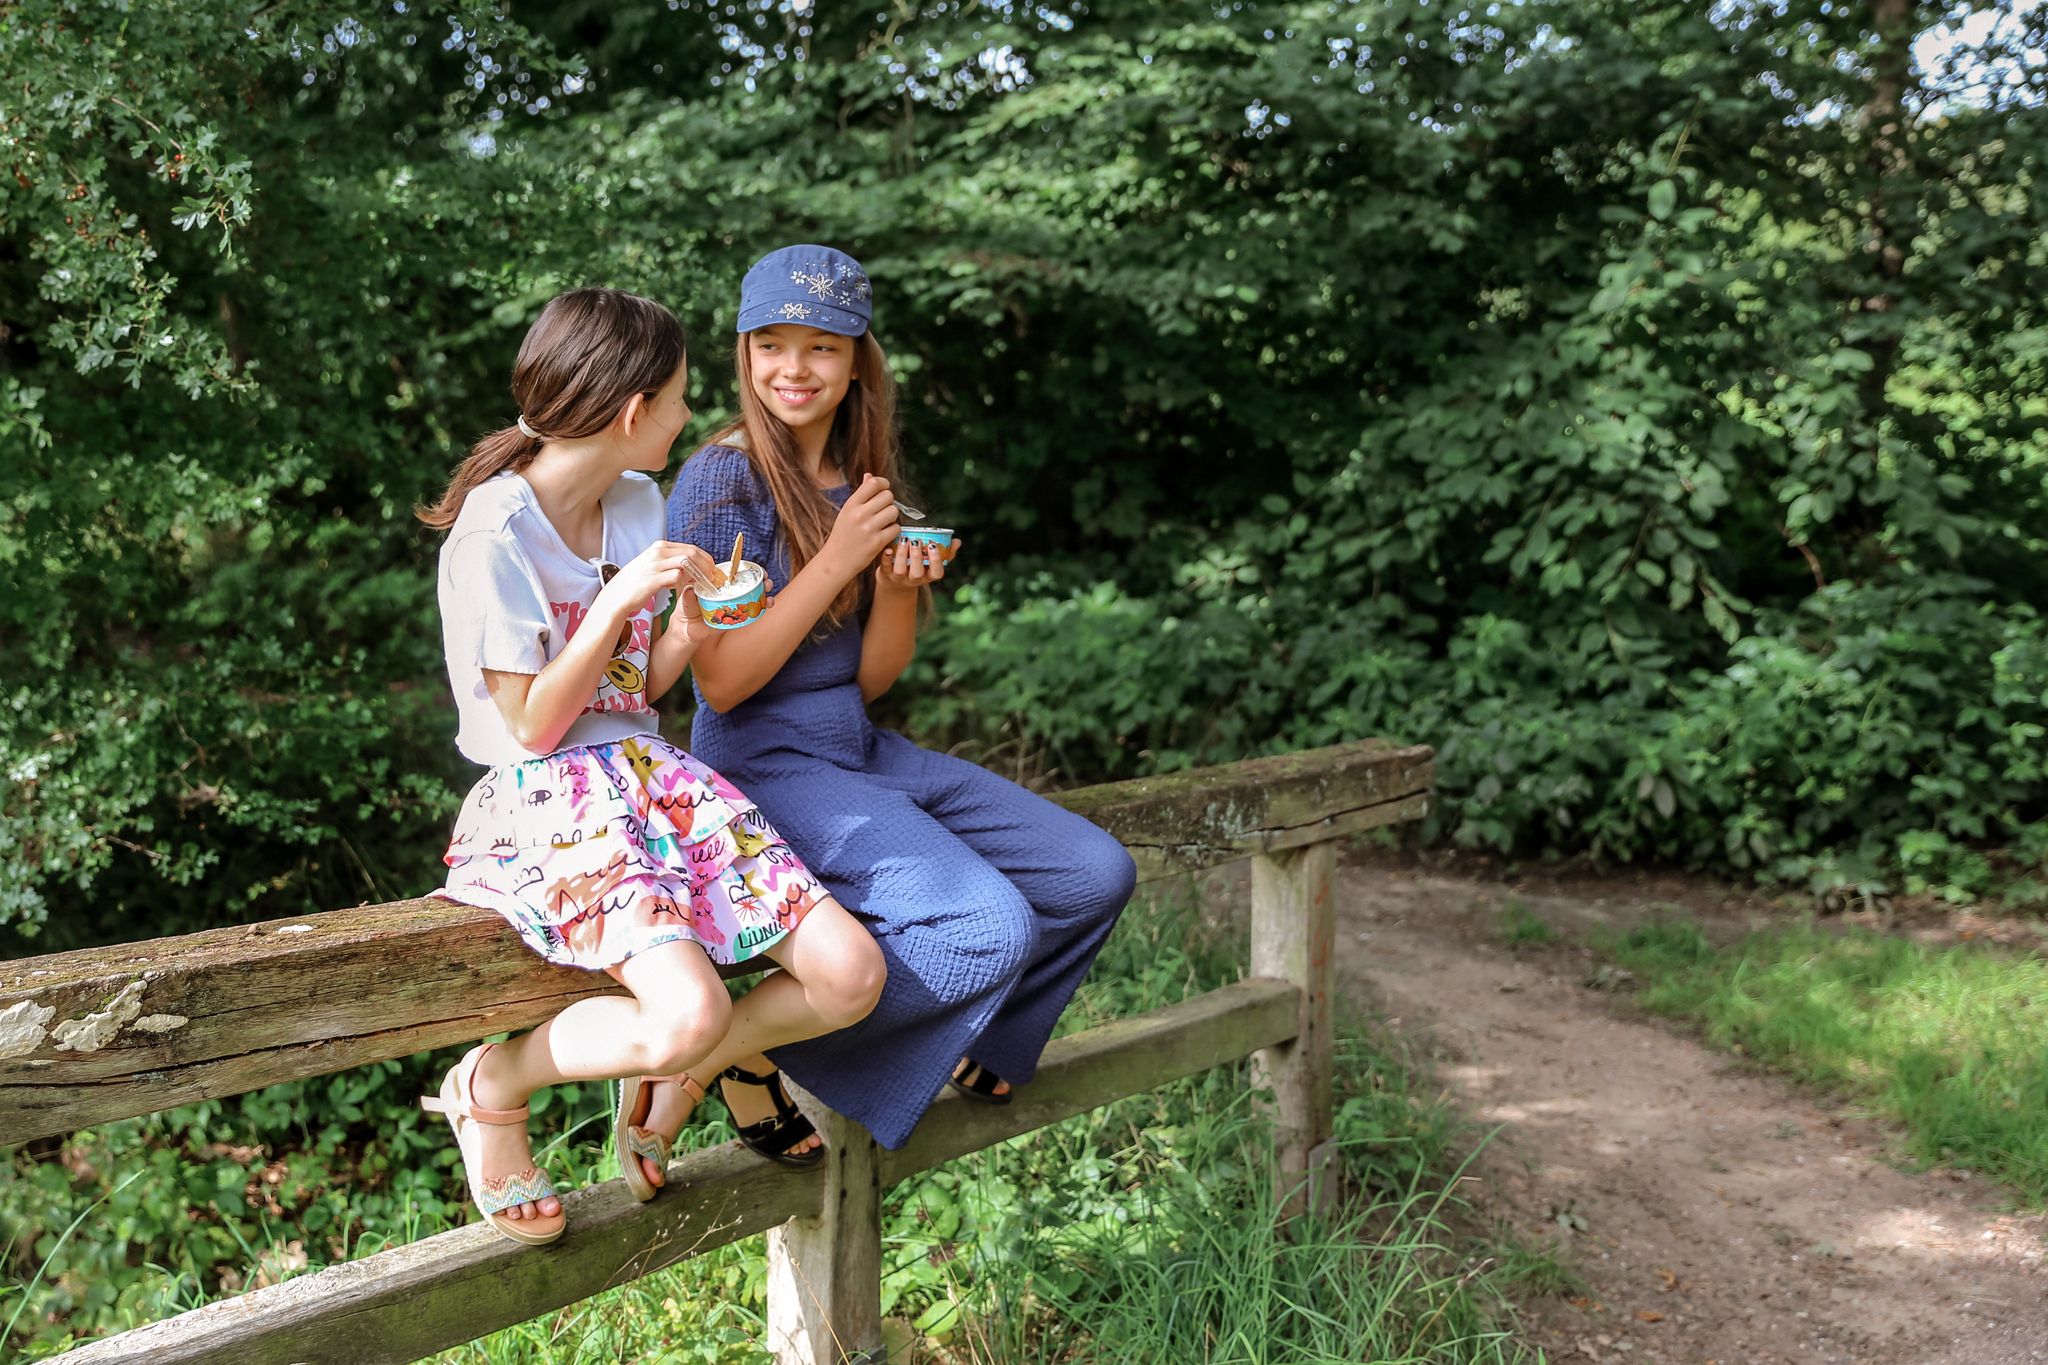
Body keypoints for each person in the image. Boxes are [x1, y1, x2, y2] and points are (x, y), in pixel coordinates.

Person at [415, 287, 885, 1247]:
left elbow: (635, 686)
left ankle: (693, 1067)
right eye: (676, 397)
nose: (688, 415)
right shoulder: (490, 537)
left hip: (653, 775)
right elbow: (536, 727)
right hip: (548, 797)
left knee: (848, 974)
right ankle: (490, 1086)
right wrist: (618, 598)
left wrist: (688, 627)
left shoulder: (632, 500)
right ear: (634, 412)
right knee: (683, 1016)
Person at [665, 246, 1136, 1151]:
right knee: (989, 924)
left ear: (856, 361)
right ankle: (745, 1046)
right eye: (772, 344)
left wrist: (897, 585)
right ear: (744, 350)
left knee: (1091, 873)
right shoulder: (720, 481)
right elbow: (719, 680)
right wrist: (840, 560)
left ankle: (974, 1034)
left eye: (822, 348)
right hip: (758, 761)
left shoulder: (866, 480)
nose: (793, 370)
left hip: (857, 747)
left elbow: (873, 678)